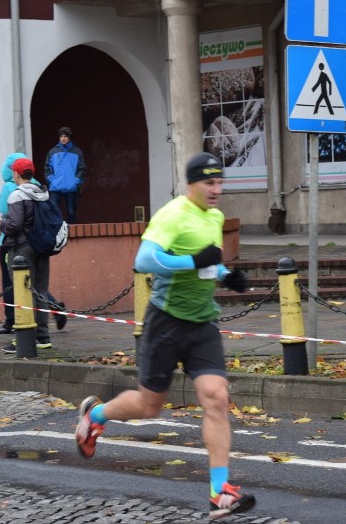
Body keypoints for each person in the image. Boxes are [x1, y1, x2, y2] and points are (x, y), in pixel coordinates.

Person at [74, 152, 253, 520]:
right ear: (191, 184)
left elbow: (206, 261)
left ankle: (219, 492)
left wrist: (224, 274)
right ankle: (96, 415)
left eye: (220, 182)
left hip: (202, 322)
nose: (216, 189)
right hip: (166, 322)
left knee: (217, 397)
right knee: (149, 405)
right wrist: (193, 262)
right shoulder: (172, 214)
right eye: (209, 183)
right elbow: (143, 260)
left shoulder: (215, 216)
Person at [0, 154, 66, 335]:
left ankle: (23, 337)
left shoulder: (16, 194)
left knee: (22, 289)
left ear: (16, 174)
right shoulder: (42, 191)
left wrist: (1, 222)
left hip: (22, 247)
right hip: (42, 245)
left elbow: (14, 225)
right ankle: (42, 336)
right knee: (40, 291)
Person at [44, 126, 86, 224]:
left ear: (69, 137)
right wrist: (52, 181)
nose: (63, 139)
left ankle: (72, 236)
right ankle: (55, 234)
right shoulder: (53, 151)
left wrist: (75, 182)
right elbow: (47, 168)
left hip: (70, 187)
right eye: (61, 136)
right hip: (56, 187)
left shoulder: (77, 151)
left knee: (71, 213)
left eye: (65, 136)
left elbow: (82, 168)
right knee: (53, 213)